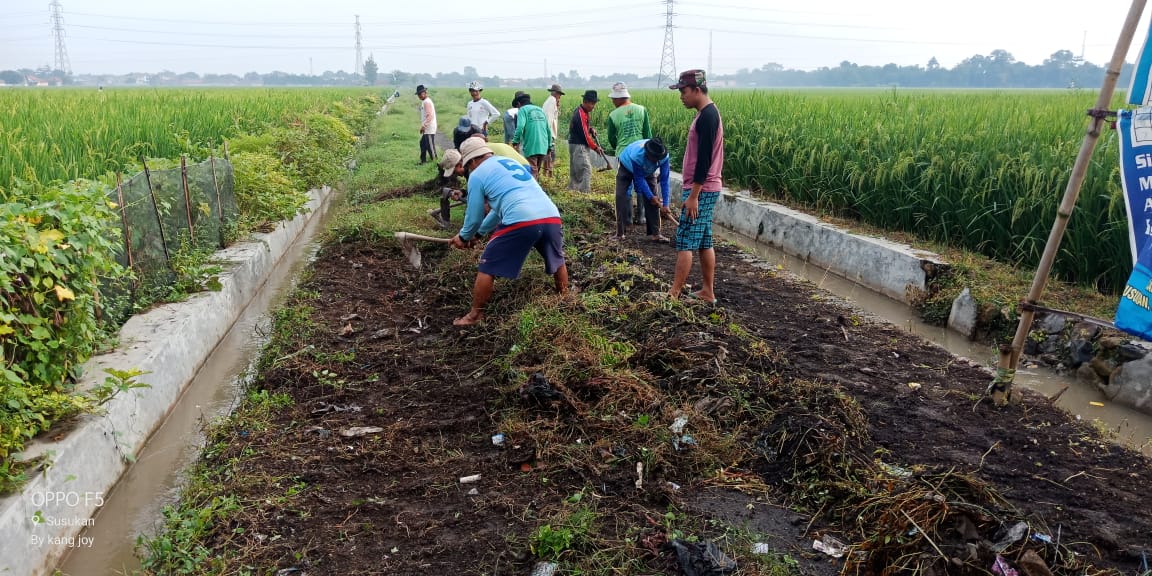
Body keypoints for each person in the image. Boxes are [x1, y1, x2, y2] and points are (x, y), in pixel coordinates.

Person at [449, 138, 568, 326]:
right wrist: (478, 235)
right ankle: (565, 299)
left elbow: (474, 218)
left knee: (487, 266)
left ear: (471, 161)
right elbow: (498, 210)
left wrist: (464, 236)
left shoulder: (477, 175)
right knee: (557, 258)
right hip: (551, 215)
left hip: (522, 218)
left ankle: (475, 316)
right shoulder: (510, 162)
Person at [667, 70, 724, 304]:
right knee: (704, 241)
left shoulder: (708, 116)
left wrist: (694, 195)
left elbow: (704, 160)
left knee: (685, 240)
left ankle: (673, 294)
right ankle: (707, 292)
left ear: (697, 90)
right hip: (707, 187)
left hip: (703, 188)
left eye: (684, 91)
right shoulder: (706, 114)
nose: (681, 96)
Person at [606, 82, 654, 225]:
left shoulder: (613, 115)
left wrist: (618, 149)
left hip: (624, 155)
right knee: (641, 183)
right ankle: (642, 217)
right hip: (641, 154)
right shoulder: (641, 110)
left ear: (620, 98)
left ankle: (627, 219)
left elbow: (611, 138)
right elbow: (648, 134)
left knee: (625, 187)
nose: (613, 101)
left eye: (614, 98)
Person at [615, 138, 671, 242]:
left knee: (654, 198)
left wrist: (666, 204)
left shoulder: (663, 157)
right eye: (653, 158)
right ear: (647, 154)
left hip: (648, 171)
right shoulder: (637, 156)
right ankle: (620, 233)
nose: (655, 161)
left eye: (657, 159)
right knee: (620, 195)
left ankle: (656, 234)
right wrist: (650, 197)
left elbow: (664, 180)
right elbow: (639, 179)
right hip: (626, 165)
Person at [511, 93, 553, 178]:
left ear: (519, 104)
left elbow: (520, 127)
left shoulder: (522, 110)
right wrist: (549, 145)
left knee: (532, 172)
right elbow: (548, 129)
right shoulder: (540, 110)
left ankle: (533, 189)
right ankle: (537, 187)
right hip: (543, 145)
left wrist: (515, 141)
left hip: (531, 145)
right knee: (536, 170)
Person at [567, 90, 600, 193]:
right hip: (579, 145)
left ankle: (573, 191)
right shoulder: (580, 114)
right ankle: (584, 193)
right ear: (585, 102)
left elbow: (583, 129)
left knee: (576, 169)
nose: (593, 106)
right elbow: (585, 137)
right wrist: (595, 147)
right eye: (592, 103)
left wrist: (590, 129)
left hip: (574, 143)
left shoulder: (582, 111)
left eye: (594, 103)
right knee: (586, 169)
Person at [541, 83, 564, 177]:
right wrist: (549, 135)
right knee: (551, 155)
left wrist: (557, 107)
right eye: (559, 94)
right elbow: (549, 119)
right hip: (549, 133)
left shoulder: (549, 101)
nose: (560, 97)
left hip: (546, 132)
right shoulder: (552, 101)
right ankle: (549, 175)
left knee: (547, 154)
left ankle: (546, 174)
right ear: (555, 93)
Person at [416, 85, 438, 164]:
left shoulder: (427, 102)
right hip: (427, 127)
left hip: (429, 127)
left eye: (421, 93)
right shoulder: (425, 101)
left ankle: (435, 162)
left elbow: (430, 116)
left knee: (430, 146)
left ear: (425, 93)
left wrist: (423, 126)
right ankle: (423, 161)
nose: (419, 96)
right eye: (418, 94)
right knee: (422, 143)